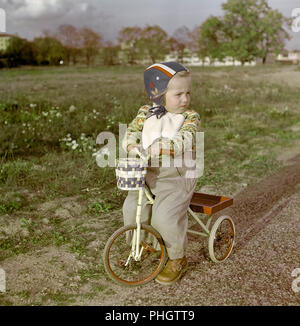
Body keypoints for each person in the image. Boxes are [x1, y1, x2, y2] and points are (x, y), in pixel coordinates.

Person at [121, 61, 201, 285]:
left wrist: (163, 146)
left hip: (177, 176)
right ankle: (144, 244)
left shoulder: (190, 117)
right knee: (133, 208)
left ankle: (177, 257)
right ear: (158, 95)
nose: (185, 99)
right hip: (147, 173)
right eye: (178, 94)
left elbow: (186, 138)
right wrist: (132, 146)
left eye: (188, 93)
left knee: (164, 217)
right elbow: (132, 131)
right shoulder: (145, 113)